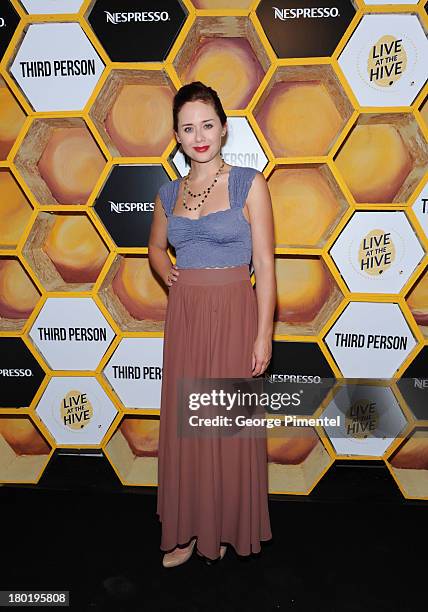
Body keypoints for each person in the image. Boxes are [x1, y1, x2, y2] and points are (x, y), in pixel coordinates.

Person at [148, 81, 276, 568]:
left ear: (223, 129)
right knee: (187, 427)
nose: (198, 135)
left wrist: (264, 333)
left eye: (207, 124)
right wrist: (167, 272)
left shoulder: (250, 182)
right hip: (185, 317)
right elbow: (155, 248)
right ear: (177, 137)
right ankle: (185, 531)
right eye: (187, 127)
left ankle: (219, 530)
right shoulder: (167, 192)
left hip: (234, 314)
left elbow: (264, 265)